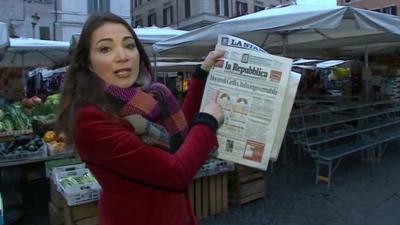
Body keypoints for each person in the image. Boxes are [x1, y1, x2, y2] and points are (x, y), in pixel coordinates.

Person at [56, 12, 225, 225]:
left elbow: (182, 132)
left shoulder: (150, 96)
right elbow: (175, 173)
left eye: (129, 45)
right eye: (105, 49)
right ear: (88, 63)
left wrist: (202, 73)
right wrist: (207, 123)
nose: (123, 56)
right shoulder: (90, 119)